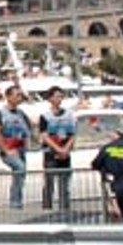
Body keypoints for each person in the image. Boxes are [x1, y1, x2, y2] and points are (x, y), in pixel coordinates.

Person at [0, 84, 33, 210]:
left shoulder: (21, 113)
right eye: (17, 95)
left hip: (20, 149)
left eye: (20, 95)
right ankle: (15, 203)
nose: (19, 98)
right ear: (8, 97)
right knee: (20, 168)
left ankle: (18, 201)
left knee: (21, 175)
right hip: (8, 150)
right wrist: (6, 150)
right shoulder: (0, 113)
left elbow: (29, 127)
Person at [37, 85, 77, 215]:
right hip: (50, 153)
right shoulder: (45, 116)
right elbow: (44, 135)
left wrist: (66, 149)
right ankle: (47, 210)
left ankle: (65, 209)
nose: (60, 99)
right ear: (50, 99)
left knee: (64, 184)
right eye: (57, 96)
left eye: (61, 96)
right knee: (49, 184)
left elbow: (72, 134)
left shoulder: (69, 114)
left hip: (65, 153)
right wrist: (58, 149)